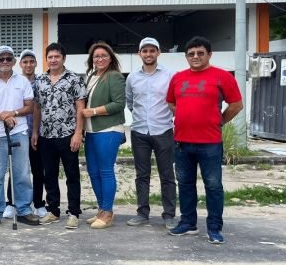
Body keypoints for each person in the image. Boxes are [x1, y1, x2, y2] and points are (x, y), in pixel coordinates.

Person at [166, 36, 243, 244]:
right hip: (182, 142)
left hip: (210, 143)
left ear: (209, 54)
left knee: (213, 186)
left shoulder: (222, 76)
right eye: (191, 54)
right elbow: (171, 103)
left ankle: (214, 228)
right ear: (186, 56)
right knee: (185, 184)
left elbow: (236, 105)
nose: (195, 56)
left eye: (200, 53)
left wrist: (219, 120)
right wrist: (186, 115)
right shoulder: (178, 78)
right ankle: (188, 223)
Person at [0, 46, 39, 227]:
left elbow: (30, 106)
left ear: (14, 61)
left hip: (19, 132)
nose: (5, 61)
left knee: (22, 174)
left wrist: (13, 113)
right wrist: (1, 116)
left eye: (8, 58)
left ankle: (24, 210)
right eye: (1, 59)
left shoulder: (23, 81)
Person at [31, 43, 86, 229]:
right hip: (46, 136)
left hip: (68, 135)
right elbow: (37, 108)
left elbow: (80, 107)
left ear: (64, 58)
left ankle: (74, 213)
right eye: (50, 57)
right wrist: (35, 132)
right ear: (46, 59)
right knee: (50, 175)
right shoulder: (40, 81)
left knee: (72, 175)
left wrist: (78, 133)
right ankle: (53, 211)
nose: (53, 60)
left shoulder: (74, 79)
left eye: (57, 56)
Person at [125, 37, 177, 229]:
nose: (148, 54)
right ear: (139, 54)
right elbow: (130, 102)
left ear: (158, 53)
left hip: (163, 130)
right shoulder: (132, 77)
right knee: (142, 175)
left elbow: (175, 101)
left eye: (152, 50)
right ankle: (142, 213)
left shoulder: (170, 75)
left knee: (167, 175)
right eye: (145, 51)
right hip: (139, 132)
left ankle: (169, 215)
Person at [81, 41, 126, 229]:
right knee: (93, 171)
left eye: (103, 56)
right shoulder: (92, 76)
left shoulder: (114, 76)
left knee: (105, 171)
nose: (99, 59)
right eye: (96, 56)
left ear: (110, 58)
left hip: (109, 129)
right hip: (91, 131)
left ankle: (107, 212)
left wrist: (93, 111)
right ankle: (101, 210)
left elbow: (119, 104)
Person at [18, 49, 47, 219]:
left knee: (38, 170)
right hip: (19, 132)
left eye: (31, 61)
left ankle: (38, 203)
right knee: (18, 170)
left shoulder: (42, 82)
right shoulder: (16, 82)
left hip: (38, 133)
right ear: (20, 64)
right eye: (25, 62)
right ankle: (13, 203)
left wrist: (35, 131)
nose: (28, 65)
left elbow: (39, 107)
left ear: (36, 63)